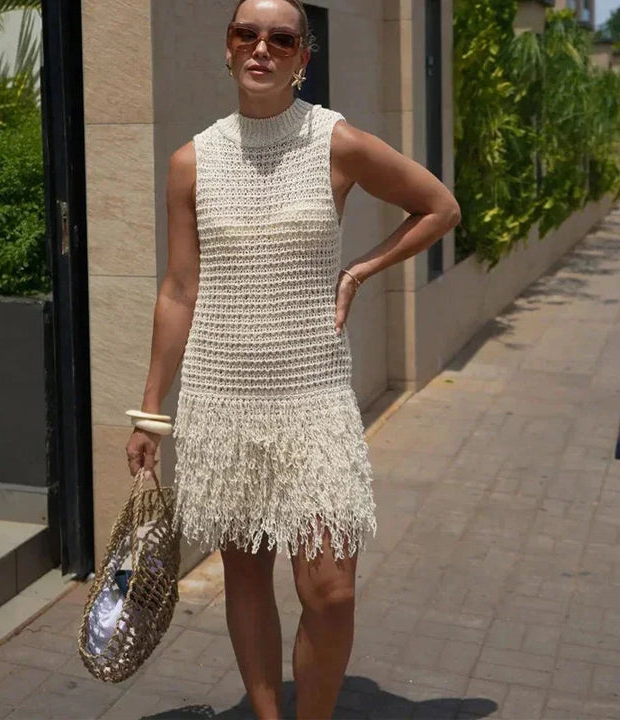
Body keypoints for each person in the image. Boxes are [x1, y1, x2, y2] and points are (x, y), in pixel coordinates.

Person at [126, 0, 461, 717]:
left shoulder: (335, 141)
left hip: (313, 399)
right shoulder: (192, 161)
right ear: (228, 47)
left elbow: (439, 207)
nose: (262, 49)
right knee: (247, 579)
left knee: (329, 589)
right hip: (222, 399)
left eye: (282, 39)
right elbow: (179, 289)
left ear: (303, 56)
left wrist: (360, 269)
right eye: (247, 34)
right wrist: (151, 412)